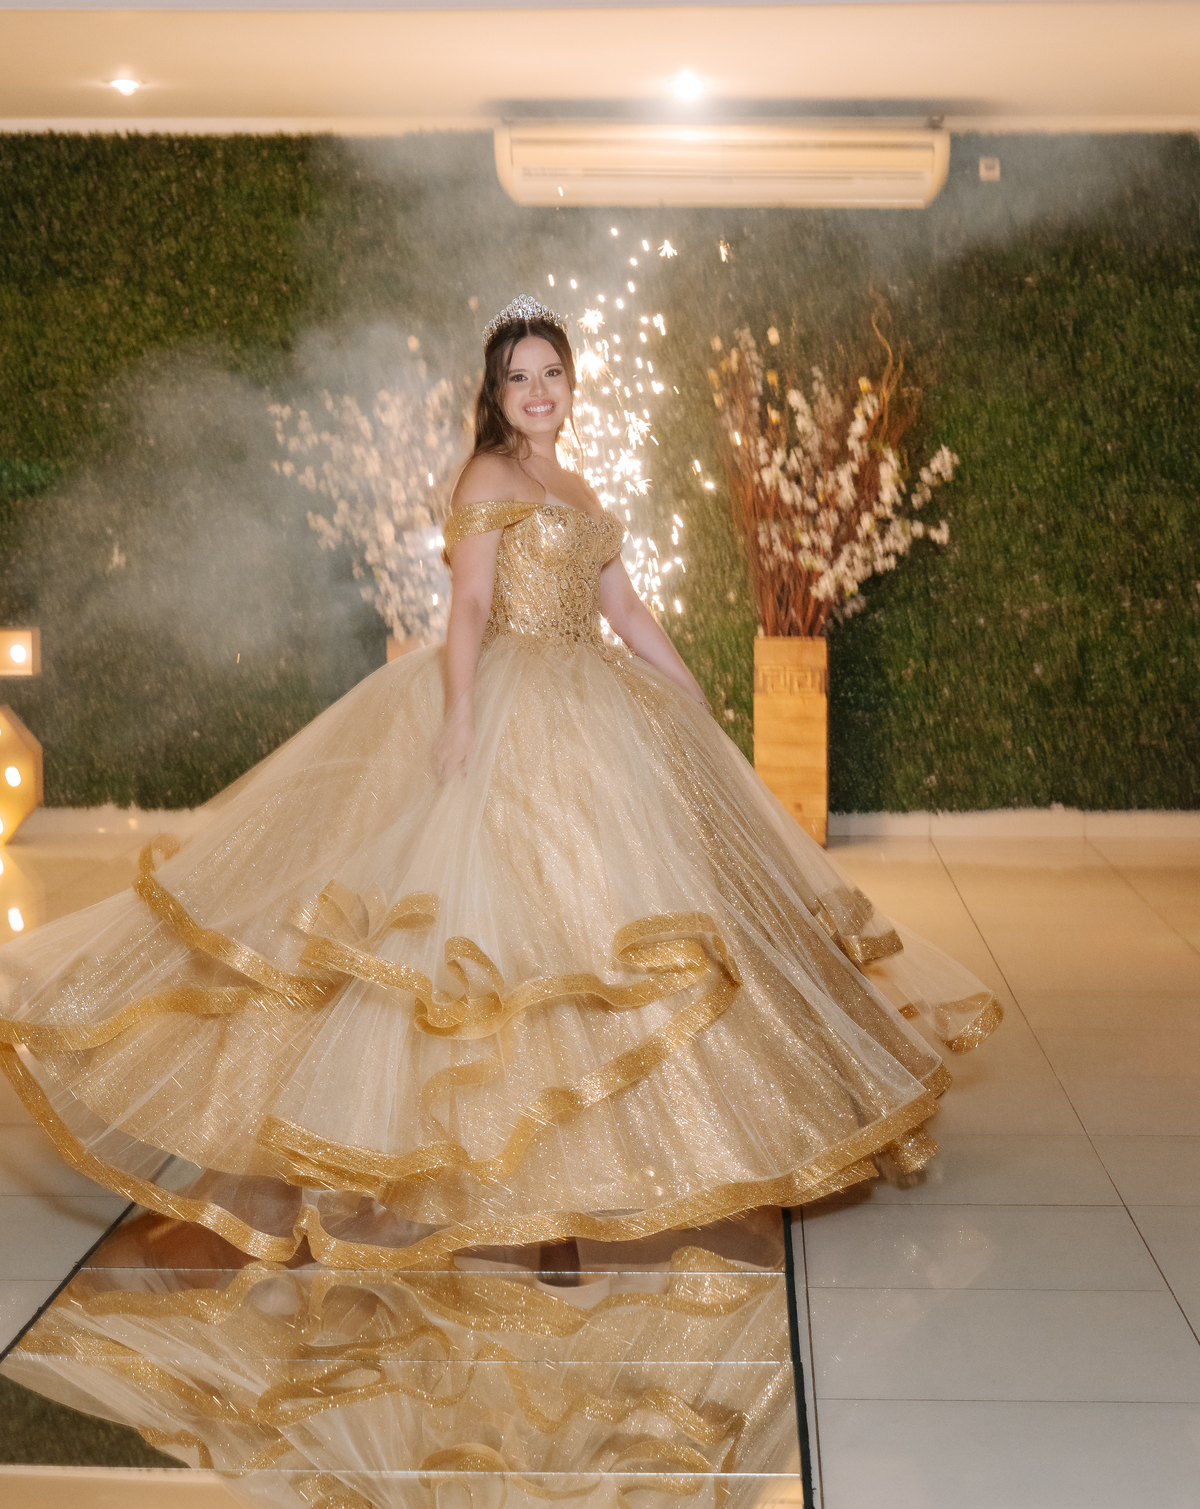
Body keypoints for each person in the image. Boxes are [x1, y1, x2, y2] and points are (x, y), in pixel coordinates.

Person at [0, 295, 1000, 1274]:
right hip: (515, 697)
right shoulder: (485, 474)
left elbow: (626, 612)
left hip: (596, 703)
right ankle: (519, 1192)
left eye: (551, 374)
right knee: (510, 937)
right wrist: (463, 710)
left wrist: (688, 692)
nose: (538, 391)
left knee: (611, 926)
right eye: (519, 378)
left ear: (572, 385)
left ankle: (619, 1164)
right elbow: (471, 605)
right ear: (494, 392)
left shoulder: (582, 486)